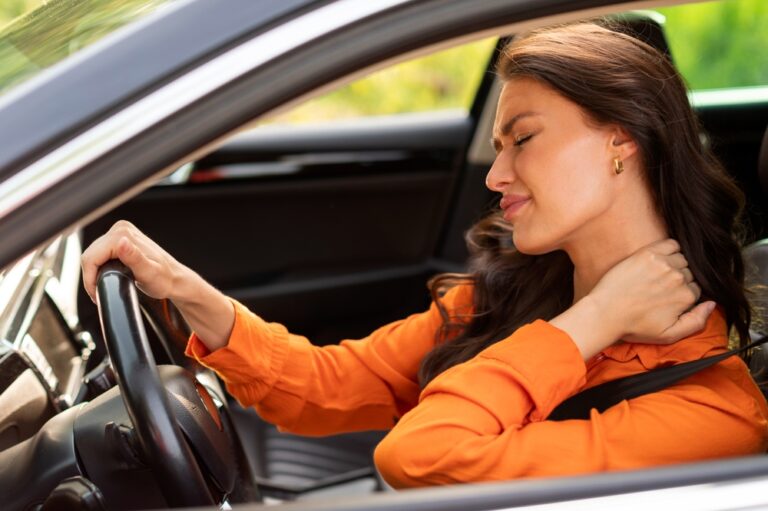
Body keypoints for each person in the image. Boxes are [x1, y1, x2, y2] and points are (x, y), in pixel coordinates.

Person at [81, 22, 768, 488]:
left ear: (622, 142)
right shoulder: (516, 291)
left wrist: (590, 325)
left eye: (521, 139)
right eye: (497, 146)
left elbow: (422, 454)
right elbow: (327, 384)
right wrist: (183, 289)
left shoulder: (712, 415)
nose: (495, 178)